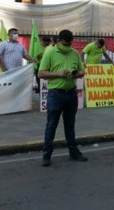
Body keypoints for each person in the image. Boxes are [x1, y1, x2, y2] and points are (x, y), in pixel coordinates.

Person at [38, 29, 87, 167]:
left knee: (70, 124)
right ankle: (47, 154)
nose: (68, 47)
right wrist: (59, 74)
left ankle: (73, 152)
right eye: (65, 44)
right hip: (56, 94)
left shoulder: (74, 53)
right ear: (58, 41)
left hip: (71, 93)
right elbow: (41, 73)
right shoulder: (50, 52)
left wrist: (78, 74)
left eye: (70, 44)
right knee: (51, 124)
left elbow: (82, 70)